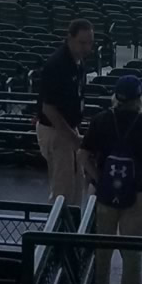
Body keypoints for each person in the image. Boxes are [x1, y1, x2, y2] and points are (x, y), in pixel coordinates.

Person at [83, 73, 142, 284]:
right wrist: (138, 182)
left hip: (104, 195)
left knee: (101, 252)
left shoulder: (101, 119)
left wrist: (99, 180)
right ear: (138, 99)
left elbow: (83, 155)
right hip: (138, 197)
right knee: (132, 254)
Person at [36, 19, 94, 207]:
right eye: (82, 42)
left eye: (90, 43)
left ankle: (72, 227)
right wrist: (72, 137)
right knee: (62, 187)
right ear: (70, 38)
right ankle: (58, 231)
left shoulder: (77, 62)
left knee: (77, 179)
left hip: (68, 128)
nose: (87, 47)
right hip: (57, 131)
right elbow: (48, 109)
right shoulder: (57, 65)